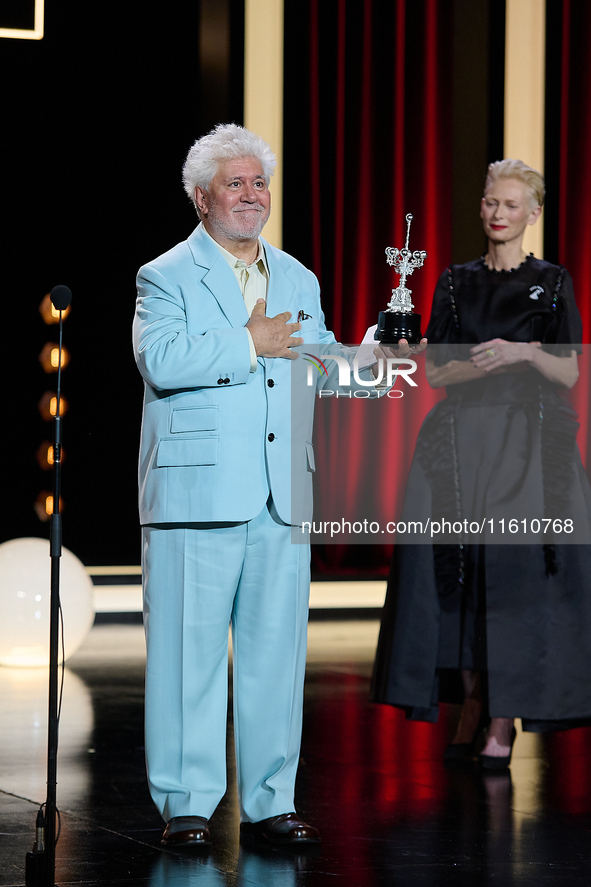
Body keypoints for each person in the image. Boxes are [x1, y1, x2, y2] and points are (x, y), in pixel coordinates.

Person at [133, 123, 418, 849]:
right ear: (202, 198)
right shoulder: (163, 274)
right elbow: (160, 359)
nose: (252, 195)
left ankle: (269, 802)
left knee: (273, 658)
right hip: (197, 494)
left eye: (259, 182)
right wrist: (246, 343)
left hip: (279, 493)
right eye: (236, 183)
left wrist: (373, 356)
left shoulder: (296, 277)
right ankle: (187, 804)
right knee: (186, 658)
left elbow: (316, 367)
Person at [371, 159, 591, 769]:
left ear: (532, 214)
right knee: (454, 577)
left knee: (513, 578)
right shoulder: (453, 281)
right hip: (459, 441)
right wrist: (482, 362)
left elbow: (569, 369)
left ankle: (502, 717)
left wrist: (522, 352)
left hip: (527, 442)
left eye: (511, 205)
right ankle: (471, 703)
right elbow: (436, 368)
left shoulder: (552, 281)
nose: (498, 213)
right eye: (491, 202)